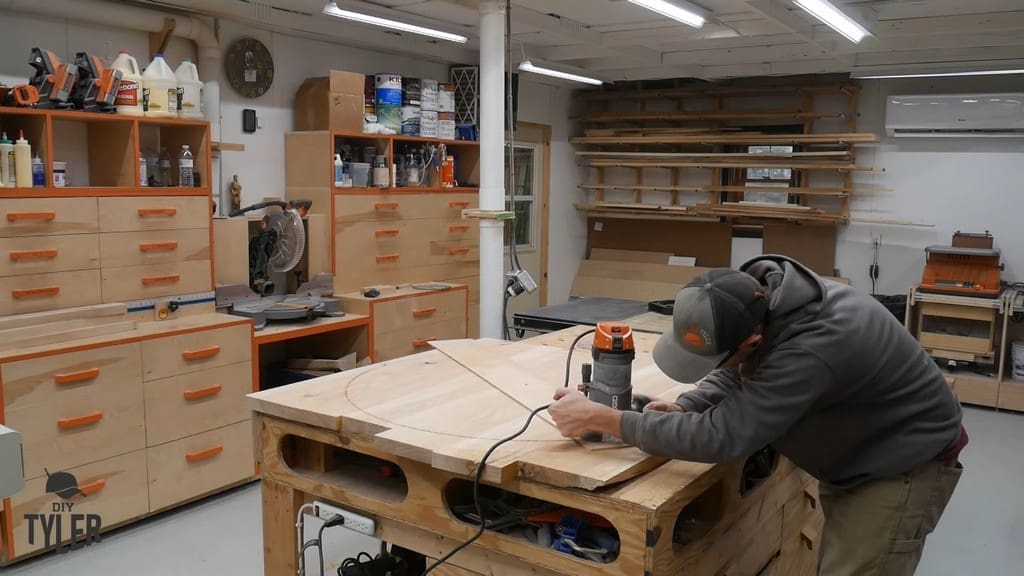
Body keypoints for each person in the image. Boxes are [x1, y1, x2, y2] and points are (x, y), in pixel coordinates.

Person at [549, 255, 966, 576]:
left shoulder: (812, 347)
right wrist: (686, 406)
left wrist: (606, 419)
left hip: (898, 467)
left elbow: (723, 436)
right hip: (858, 450)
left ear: (752, 339)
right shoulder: (757, 301)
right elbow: (739, 371)